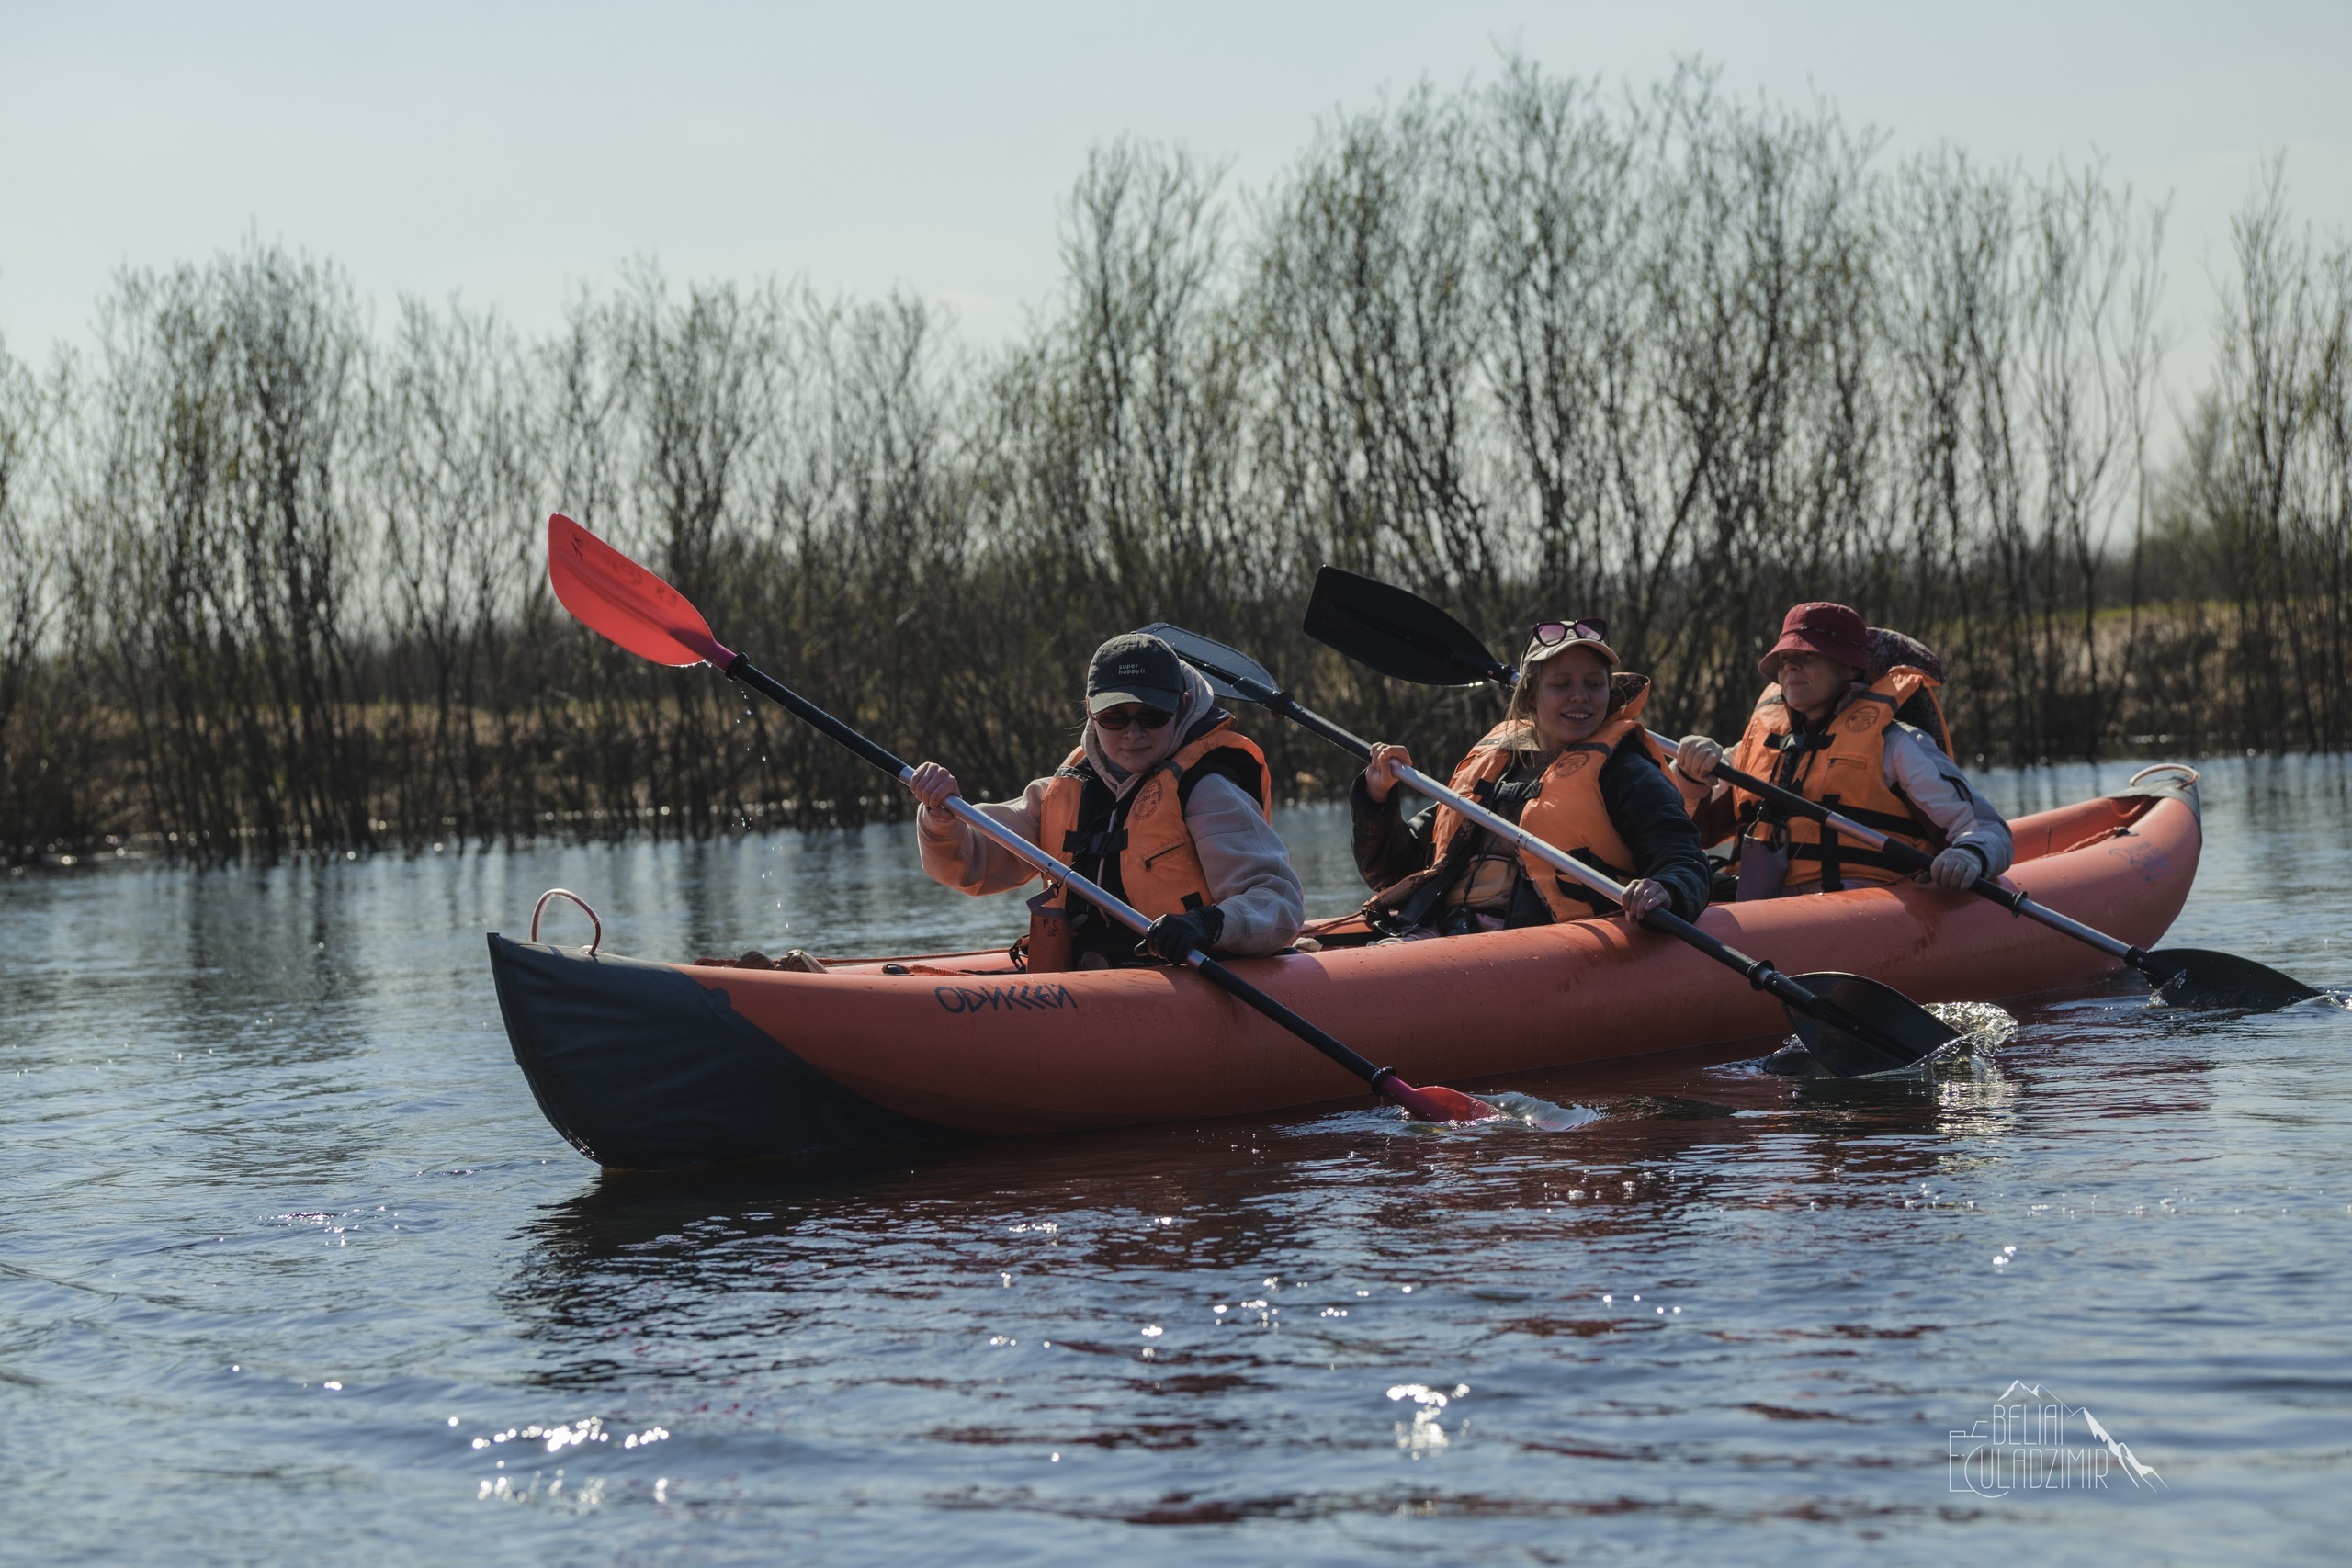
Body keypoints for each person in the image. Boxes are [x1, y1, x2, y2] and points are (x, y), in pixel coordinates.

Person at [908, 632, 1306, 968]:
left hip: (1189, 975)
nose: (1133, 733)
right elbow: (970, 868)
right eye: (1115, 717)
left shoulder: (1208, 789)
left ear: (1181, 705)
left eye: (1151, 716)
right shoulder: (1059, 793)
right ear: (1090, 712)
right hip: (1091, 983)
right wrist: (943, 820)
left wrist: (1206, 925)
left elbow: (1277, 901)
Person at [1349, 618, 1712, 937]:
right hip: (1440, 930)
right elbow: (1392, 873)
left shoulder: (1626, 771)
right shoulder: (1494, 764)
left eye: (1594, 684)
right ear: (1529, 697)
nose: (1580, 697)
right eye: (1561, 684)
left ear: (1609, 692)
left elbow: (1684, 859)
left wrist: (1667, 889)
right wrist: (1377, 798)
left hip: (1544, 945)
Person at [1671, 601, 2010, 900]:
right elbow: (1684, 834)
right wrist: (1687, 777)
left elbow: (1988, 830)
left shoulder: (1897, 746)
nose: (1790, 667)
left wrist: (1968, 856)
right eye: (1785, 658)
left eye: (1808, 655)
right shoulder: (1750, 749)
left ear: (1850, 667)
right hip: (1763, 913)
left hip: (1858, 912)